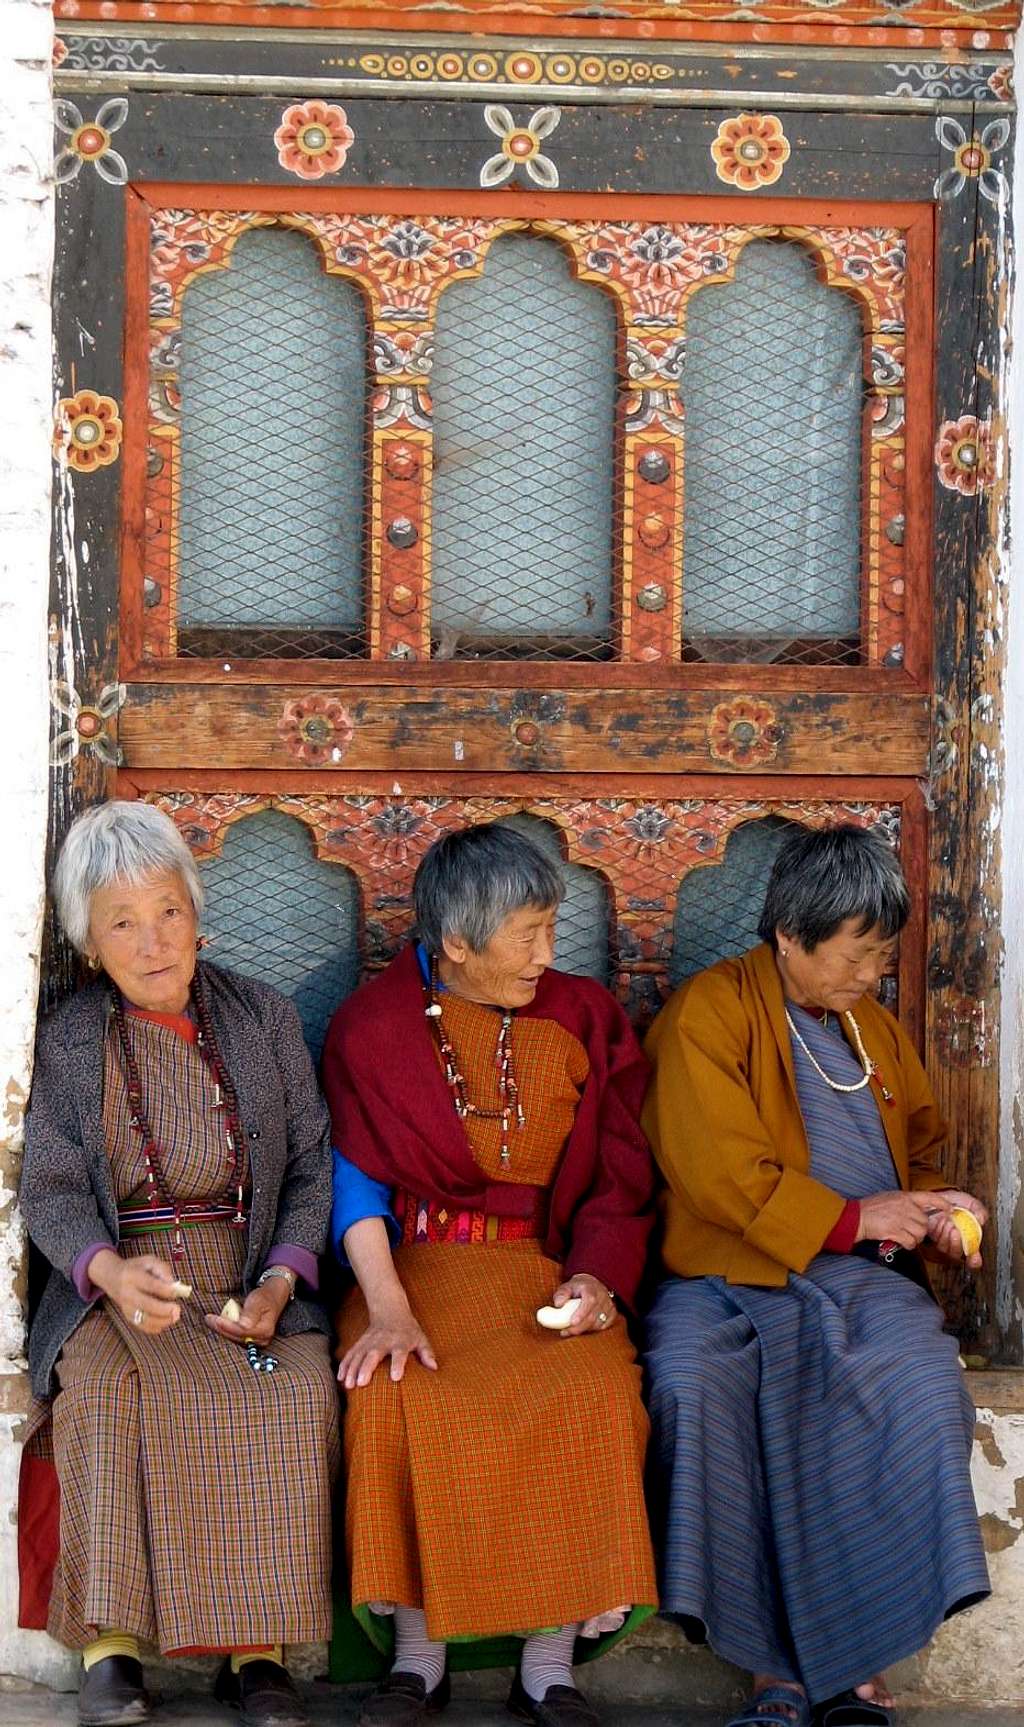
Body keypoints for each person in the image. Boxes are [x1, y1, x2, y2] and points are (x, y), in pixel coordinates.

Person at [642, 823, 990, 1727]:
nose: (870, 975)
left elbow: (908, 1158)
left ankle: (853, 1659)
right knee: (693, 1379)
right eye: (856, 952)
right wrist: (847, 1216)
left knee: (915, 1382)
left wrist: (937, 1212)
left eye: (882, 955)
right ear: (790, 935)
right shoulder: (708, 1012)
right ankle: (774, 1672)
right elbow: (717, 1171)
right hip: (724, 1273)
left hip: (862, 1280)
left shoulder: (870, 1030)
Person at [321, 822, 658, 1727]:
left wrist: (595, 1281)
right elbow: (352, 1178)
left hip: (542, 1270)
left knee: (589, 1391)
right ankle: (417, 1656)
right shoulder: (374, 1026)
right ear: (456, 943)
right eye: (528, 935)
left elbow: (623, 1169)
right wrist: (387, 1307)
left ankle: (549, 1664)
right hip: (413, 1266)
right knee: (400, 1388)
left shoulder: (585, 1014)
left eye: (554, 928)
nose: (550, 955)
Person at [18, 801, 339, 1727]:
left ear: (198, 913)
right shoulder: (78, 1038)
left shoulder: (263, 1017)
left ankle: (259, 1646)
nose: (152, 941)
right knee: (105, 1392)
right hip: (122, 1285)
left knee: (293, 1387)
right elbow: (52, 1183)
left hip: (243, 1274)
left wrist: (281, 1278)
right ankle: (114, 1647)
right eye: (121, 921)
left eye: (167, 910)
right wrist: (109, 1273)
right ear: (89, 941)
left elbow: (313, 1162)